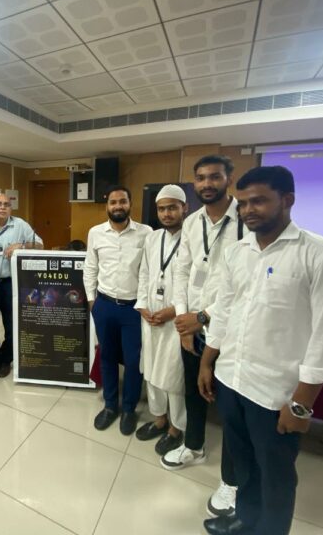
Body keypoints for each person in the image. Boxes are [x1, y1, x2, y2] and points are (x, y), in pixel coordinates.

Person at [198, 166, 323, 535]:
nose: (248, 210)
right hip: (231, 380)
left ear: (287, 200)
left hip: (275, 394)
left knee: (276, 476)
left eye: (259, 201)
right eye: (243, 203)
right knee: (243, 464)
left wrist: (301, 405)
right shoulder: (237, 253)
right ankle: (246, 519)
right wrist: (207, 361)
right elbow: (224, 310)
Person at [165, 156, 244, 518]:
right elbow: (181, 271)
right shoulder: (193, 222)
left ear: (229, 179)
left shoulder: (247, 221)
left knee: (231, 408)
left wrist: (202, 317)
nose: (207, 183)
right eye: (200, 178)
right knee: (193, 391)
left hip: (230, 328)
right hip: (192, 325)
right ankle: (193, 445)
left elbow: (242, 283)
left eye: (214, 176)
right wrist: (184, 319)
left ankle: (233, 480)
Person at [83, 185, 152, 435]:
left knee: (133, 361)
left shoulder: (146, 233)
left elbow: (147, 272)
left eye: (122, 201)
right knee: (108, 356)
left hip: (133, 309)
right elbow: (90, 267)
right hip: (104, 305)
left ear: (130, 204)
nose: (118, 206)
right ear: (107, 206)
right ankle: (110, 405)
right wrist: (92, 301)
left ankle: (129, 408)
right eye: (113, 202)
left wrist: (143, 303)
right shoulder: (96, 233)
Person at [134, 185, 187, 455]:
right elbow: (144, 273)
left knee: (173, 376)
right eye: (162, 209)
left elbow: (193, 284)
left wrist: (174, 310)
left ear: (184, 208)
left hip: (176, 319)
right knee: (152, 371)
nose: (166, 214)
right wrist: (142, 306)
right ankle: (159, 419)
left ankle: (176, 428)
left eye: (172, 208)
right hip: (151, 316)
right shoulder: (153, 238)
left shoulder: (192, 239)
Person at [0, 193, 43, 379]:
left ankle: (6, 359)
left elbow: (40, 245)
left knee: (12, 323)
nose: (2, 207)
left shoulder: (20, 224)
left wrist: (21, 246)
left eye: (6, 204)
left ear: (11, 208)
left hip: (11, 282)